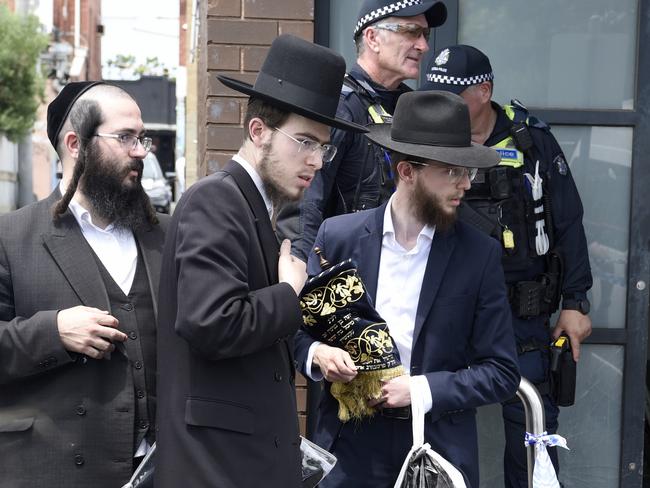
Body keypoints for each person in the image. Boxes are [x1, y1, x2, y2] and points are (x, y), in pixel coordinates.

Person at [155, 34, 366, 488]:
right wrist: (289, 293)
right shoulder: (215, 201)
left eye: (324, 147)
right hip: (215, 466)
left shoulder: (252, 207)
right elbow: (211, 322)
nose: (317, 161)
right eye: (305, 142)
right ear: (258, 131)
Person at [294, 90, 521, 488]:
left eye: (467, 171)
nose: (465, 184)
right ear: (407, 172)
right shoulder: (338, 237)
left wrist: (420, 389)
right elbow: (298, 331)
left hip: (437, 448)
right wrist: (319, 354)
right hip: (349, 448)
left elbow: (501, 372)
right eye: (452, 170)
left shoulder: (478, 254)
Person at [420, 44, 593, 487]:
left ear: (483, 91)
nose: (441, 105)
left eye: (451, 95)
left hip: (522, 314)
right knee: (438, 424)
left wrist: (576, 301)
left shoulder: (530, 139)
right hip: (448, 308)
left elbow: (568, 221)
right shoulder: (430, 139)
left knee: (532, 429)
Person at [0, 81, 167, 487]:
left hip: (159, 472)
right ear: (76, 144)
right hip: (52, 471)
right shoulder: (11, 237)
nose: (141, 150)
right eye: (125, 137)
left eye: (142, 138)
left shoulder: (165, 234)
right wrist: (52, 331)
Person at [277, 0, 448, 261]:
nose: (423, 46)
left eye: (425, 35)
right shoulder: (341, 109)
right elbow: (304, 209)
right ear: (373, 38)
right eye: (411, 32)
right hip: (348, 284)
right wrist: (303, 278)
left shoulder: (413, 110)